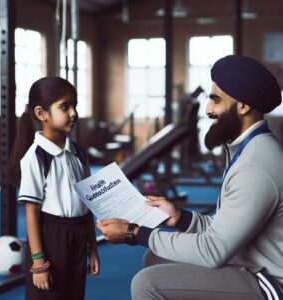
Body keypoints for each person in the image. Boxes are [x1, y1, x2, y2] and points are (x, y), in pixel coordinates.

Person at [96, 55, 283, 300]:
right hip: (252, 262)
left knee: (147, 284)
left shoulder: (254, 166)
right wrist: (181, 217)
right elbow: (223, 231)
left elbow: (213, 250)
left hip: (271, 281)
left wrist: (135, 233)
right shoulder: (249, 149)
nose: (208, 109)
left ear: (243, 106)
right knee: (155, 257)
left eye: (216, 100)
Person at [9, 76, 100, 300]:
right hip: (51, 236)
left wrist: (92, 247)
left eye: (75, 105)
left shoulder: (79, 153)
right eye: (65, 106)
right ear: (42, 114)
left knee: (74, 294)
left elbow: (86, 203)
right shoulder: (35, 158)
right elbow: (31, 213)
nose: (73, 113)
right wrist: (39, 262)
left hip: (78, 233)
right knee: (50, 295)